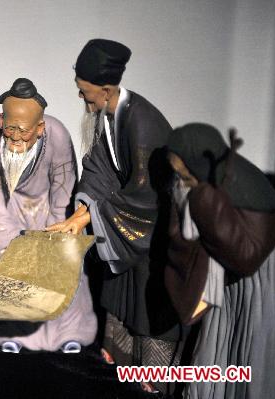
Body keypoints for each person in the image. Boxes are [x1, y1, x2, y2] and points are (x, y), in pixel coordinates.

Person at [46, 39, 182, 394]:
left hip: (152, 230)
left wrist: (94, 216)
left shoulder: (144, 124)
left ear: (106, 90)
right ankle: (119, 358)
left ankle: (153, 376)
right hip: (123, 225)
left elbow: (145, 195)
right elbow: (98, 168)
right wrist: (80, 214)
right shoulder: (107, 115)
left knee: (150, 301)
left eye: (84, 92)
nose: (81, 99)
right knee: (118, 288)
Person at [0, 77, 97, 353]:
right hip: (9, 209)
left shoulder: (57, 135)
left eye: (24, 131)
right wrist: (8, 242)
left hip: (50, 211)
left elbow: (64, 192)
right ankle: (15, 332)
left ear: (40, 127)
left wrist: (53, 238)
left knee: (65, 264)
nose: (16, 138)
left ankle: (70, 331)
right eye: (10, 129)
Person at [165, 123, 275, 399]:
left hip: (254, 282)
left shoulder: (240, 189)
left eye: (185, 176)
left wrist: (201, 205)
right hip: (231, 275)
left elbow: (247, 258)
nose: (181, 183)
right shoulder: (218, 174)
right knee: (222, 342)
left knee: (248, 347)